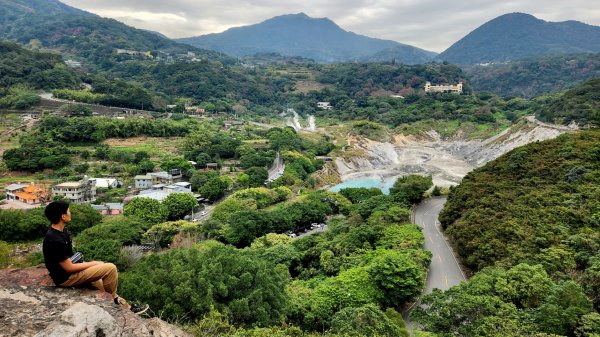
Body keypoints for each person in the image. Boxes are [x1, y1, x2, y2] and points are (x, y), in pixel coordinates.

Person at [42, 201, 148, 315]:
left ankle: (121, 306)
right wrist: (94, 263)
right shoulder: (54, 239)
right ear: (62, 216)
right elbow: (69, 268)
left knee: (99, 283)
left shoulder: (62, 231)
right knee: (110, 268)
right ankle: (115, 300)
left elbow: (69, 258)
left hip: (69, 271)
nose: (70, 213)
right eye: (68, 211)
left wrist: (89, 264)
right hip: (65, 278)